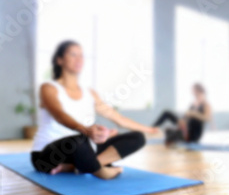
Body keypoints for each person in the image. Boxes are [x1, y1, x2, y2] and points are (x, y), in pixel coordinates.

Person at [31, 41, 159, 180]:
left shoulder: (89, 93)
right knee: (79, 141)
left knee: (137, 137)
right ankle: (103, 172)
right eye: (73, 54)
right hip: (48, 155)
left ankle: (75, 166)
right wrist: (86, 131)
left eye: (81, 55)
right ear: (59, 60)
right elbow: (60, 115)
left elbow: (119, 119)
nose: (79, 59)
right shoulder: (48, 87)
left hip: (85, 148)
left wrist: (149, 129)